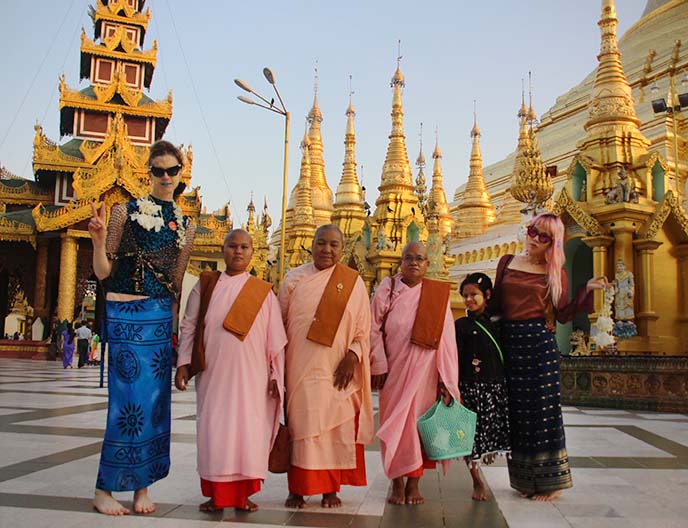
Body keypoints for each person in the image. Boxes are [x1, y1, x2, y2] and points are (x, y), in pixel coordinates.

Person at [88, 139, 196, 515]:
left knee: (153, 406)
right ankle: (105, 488)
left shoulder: (187, 225)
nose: (165, 177)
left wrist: (179, 341)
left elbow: (178, 286)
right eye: (158, 171)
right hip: (124, 314)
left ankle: (140, 490)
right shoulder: (124, 212)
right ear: (147, 173)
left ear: (181, 174)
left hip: (159, 319)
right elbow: (103, 273)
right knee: (125, 403)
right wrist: (98, 241)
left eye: (172, 171)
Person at [492, 212, 607, 501]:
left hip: (539, 346)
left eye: (543, 236)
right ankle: (523, 481)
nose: (533, 238)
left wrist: (586, 291)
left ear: (552, 244)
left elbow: (563, 314)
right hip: (510, 343)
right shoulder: (507, 262)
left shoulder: (555, 273)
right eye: (532, 230)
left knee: (544, 415)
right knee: (517, 415)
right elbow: (494, 304)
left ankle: (550, 483)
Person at [175, 229, 286, 512]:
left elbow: (276, 341)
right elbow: (189, 325)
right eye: (232, 246)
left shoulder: (263, 293)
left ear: (253, 253)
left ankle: (243, 494)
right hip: (214, 374)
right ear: (223, 249)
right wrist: (184, 363)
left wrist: (276, 376)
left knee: (249, 431)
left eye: (244, 247)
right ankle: (216, 495)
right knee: (215, 429)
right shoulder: (206, 285)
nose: (238, 251)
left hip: (253, 377)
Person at [278, 224, 374, 509]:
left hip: (338, 369)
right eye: (322, 243)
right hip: (300, 367)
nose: (327, 250)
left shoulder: (352, 282)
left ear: (342, 250)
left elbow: (363, 330)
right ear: (311, 245)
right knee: (302, 425)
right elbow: (278, 324)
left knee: (335, 428)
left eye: (334, 245)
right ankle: (298, 488)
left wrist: (353, 356)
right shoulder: (294, 279)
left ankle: (330, 489)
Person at [369, 241, 460, 506]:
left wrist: (446, 379)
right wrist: (378, 363)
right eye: (408, 258)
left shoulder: (436, 295)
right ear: (401, 262)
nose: (414, 263)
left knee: (420, 425)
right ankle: (396, 482)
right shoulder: (387, 290)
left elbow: (447, 340)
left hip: (426, 374)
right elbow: (373, 328)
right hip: (394, 370)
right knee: (395, 425)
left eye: (419, 258)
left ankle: (414, 483)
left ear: (427, 264)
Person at [455, 273, 510, 501]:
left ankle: (489, 459)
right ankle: (476, 480)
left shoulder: (500, 324)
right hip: (470, 389)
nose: (469, 300)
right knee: (471, 439)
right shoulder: (460, 326)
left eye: (474, 295)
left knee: (493, 436)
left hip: (495, 389)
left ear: (487, 295)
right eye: (465, 296)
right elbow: (454, 357)